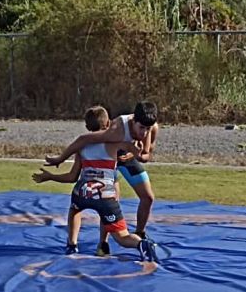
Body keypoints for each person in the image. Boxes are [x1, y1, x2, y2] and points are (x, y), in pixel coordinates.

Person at [32, 107, 158, 262]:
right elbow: (141, 154)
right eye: (142, 128)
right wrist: (138, 151)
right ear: (108, 124)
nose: (144, 132)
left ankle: (72, 243)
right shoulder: (116, 140)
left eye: (147, 129)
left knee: (75, 209)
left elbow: (72, 176)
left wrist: (51, 174)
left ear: (87, 126)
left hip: (83, 193)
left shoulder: (82, 148)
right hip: (106, 195)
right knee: (121, 235)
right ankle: (139, 243)